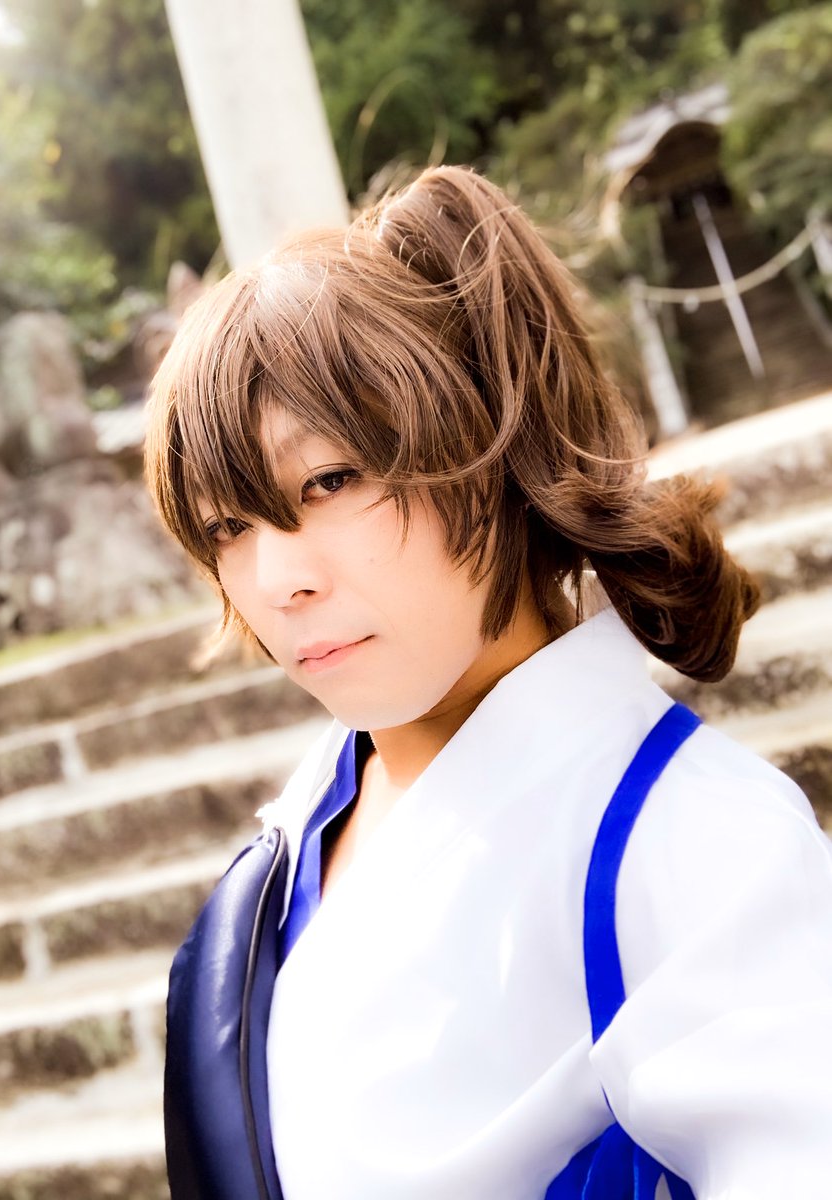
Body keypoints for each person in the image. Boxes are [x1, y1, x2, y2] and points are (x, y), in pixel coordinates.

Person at [145, 165, 832, 1200]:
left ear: (488, 445)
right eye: (225, 527)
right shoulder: (297, 837)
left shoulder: (694, 840)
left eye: (331, 480)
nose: (278, 580)